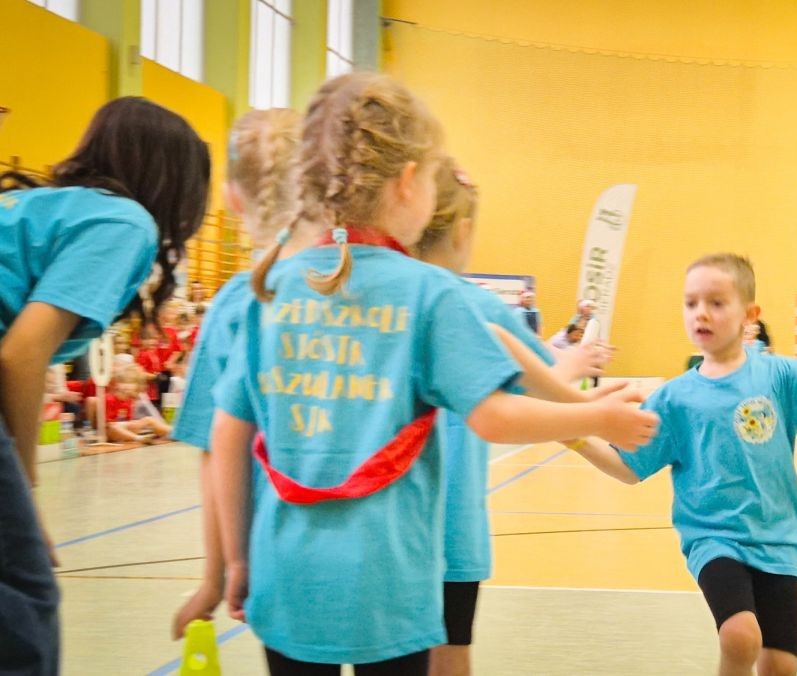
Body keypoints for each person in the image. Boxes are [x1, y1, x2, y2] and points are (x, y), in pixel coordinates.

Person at [208, 73, 658, 674]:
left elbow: (228, 434)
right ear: (408, 182)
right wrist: (594, 416)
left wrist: (238, 560)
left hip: (284, 577)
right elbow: (494, 417)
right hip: (389, 587)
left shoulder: (268, 289)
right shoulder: (429, 293)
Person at [568, 254, 797, 676]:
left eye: (716, 302)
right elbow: (628, 468)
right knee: (740, 636)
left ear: (750, 314)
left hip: (780, 539)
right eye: (691, 303)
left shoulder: (780, 375)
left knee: (780, 666)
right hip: (714, 538)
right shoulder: (674, 399)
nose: (701, 313)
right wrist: (573, 435)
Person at [0, 96, 209, 674]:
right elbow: (20, 355)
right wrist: (28, 491)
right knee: (22, 602)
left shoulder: (43, 205)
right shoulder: (123, 222)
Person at [414, 160, 620, 675]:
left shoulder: (385, 299)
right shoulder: (476, 308)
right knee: (452, 654)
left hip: (392, 526)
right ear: (463, 232)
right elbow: (543, 382)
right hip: (452, 526)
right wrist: (589, 397)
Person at [171, 108, 315, 639]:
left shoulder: (237, 304)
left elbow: (217, 451)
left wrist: (216, 577)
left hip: (275, 555)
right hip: (385, 558)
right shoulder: (371, 286)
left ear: (232, 199)